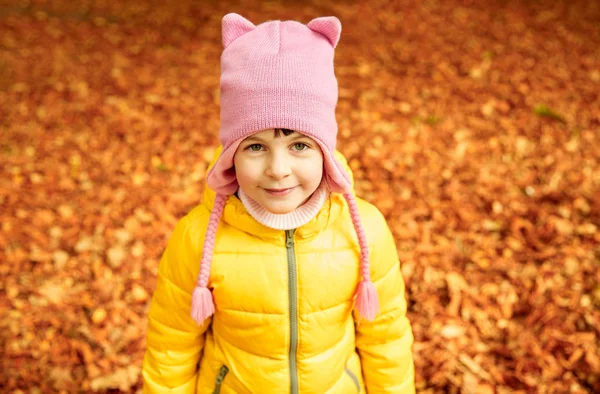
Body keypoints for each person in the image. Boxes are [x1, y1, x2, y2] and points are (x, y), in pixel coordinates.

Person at [142, 12, 415, 394]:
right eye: (256, 146)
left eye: (299, 145)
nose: (278, 169)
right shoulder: (198, 238)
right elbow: (171, 346)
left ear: (325, 152)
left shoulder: (363, 231)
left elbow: (386, 340)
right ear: (230, 154)